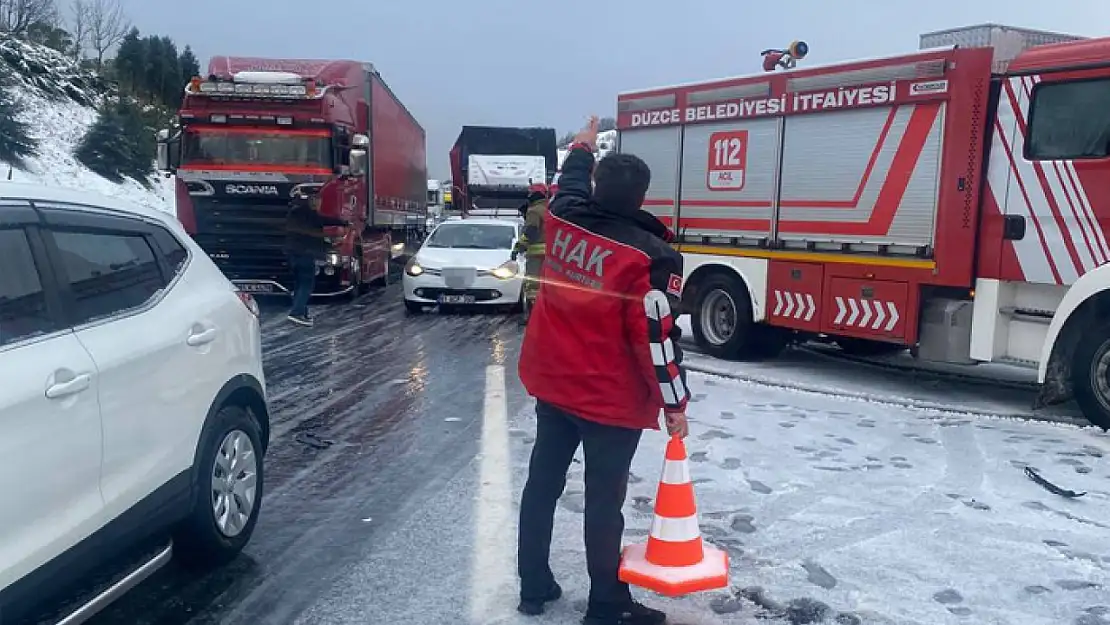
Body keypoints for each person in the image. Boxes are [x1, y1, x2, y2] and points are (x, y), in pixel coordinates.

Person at [516, 116, 691, 625]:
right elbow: (656, 342)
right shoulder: (653, 258)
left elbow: (569, 182)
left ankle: (534, 587)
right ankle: (606, 605)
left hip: (553, 386)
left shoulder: (564, 216)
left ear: (597, 187)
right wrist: (674, 406)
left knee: (541, 486)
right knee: (602, 504)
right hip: (609, 402)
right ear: (641, 199)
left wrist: (583, 145)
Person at [283, 192, 348, 327]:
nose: (318, 205)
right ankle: (297, 313)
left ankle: (303, 314)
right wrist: (332, 241)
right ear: (313, 201)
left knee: (299, 284)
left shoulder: (294, 213)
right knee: (307, 284)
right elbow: (318, 230)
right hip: (304, 254)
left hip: (291, 253)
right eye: (317, 201)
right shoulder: (311, 216)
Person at [512, 182, 550, 320]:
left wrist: (519, 247)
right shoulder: (549, 208)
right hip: (550, 255)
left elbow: (531, 231)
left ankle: (533, 316)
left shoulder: (534, 210)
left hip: (536, 255)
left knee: (532, 285)